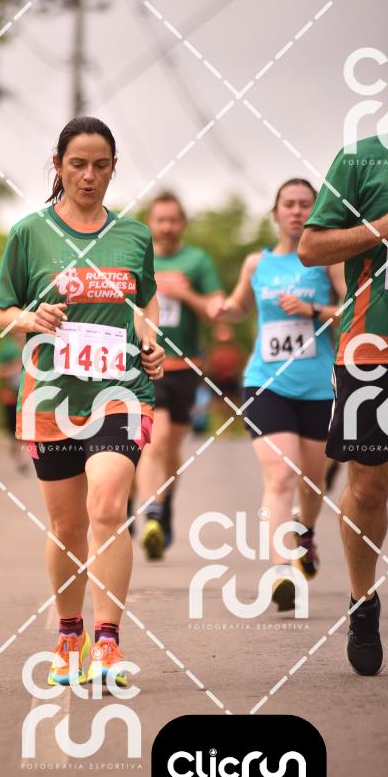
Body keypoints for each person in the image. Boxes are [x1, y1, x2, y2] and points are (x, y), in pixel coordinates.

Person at [0, 116, 165, 687]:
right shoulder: (29, 233)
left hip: (121, 392)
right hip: (51, 398)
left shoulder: (134, 235)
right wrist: (28, 317)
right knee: (67, 526)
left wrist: (150, 339)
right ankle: (70, 634)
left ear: (114, 168)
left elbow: (147, 301)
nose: (89, 176)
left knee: (108, 506)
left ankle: (108, 642)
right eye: (78, 164)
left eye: (100, 165)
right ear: (58, 166)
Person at [208, 179, 345, 610]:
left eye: (306, 204)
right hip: (266, 382)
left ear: (316, 212)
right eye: (290, 204)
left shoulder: (327, 261)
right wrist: (223, 308)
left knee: (313, 481)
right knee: (281, 476)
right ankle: (282, 569)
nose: (298, 211)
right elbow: (240, 306)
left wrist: (314, 310)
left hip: (318, 387)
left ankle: (305, 532)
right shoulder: (257, 263)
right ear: (276, 212)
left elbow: (352, 309)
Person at [298, 133, 388, 676]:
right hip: (371, 348)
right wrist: (382, 228)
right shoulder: (363, 159)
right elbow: (311, 248)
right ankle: (362, 599)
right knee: (370, 486)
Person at [135, 192, 223, 560]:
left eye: (173, 220)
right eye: (161, 220)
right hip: (147, 362)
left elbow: (215, 309)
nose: (167, 226)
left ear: (183, 223)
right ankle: (152, 514)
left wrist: (185, 294)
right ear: (150, 223)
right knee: (155, 441)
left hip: (186, 366)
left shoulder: (197, 260)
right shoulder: (139, 256)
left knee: (171, 448)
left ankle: (164, 502)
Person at [0, 333, 28, 473]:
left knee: (28, 427)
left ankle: (24, 458)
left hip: (30, 396)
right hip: (11, 396)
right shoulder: (7, 350)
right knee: (13, 429)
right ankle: (18, 453)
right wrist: (15, 368)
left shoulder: (36, 345)